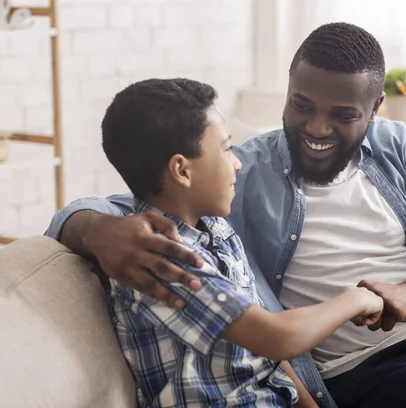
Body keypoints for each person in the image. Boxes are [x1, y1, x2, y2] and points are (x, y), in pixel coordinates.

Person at [46, 23, 406, 408]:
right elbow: (129, 200)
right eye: (301, 106)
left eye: (342, 115)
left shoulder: (401, 148)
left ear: (375, 110)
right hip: (372, 369)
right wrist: (95, 230)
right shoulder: (240, 172)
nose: (315, 129)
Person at [96, 77, 384, 408]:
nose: (237, 162)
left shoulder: (218, 230)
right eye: (226, 148)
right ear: (182, 171)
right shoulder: (162, 261)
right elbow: (278, 338)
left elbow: (269, 357)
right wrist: (354, 299)